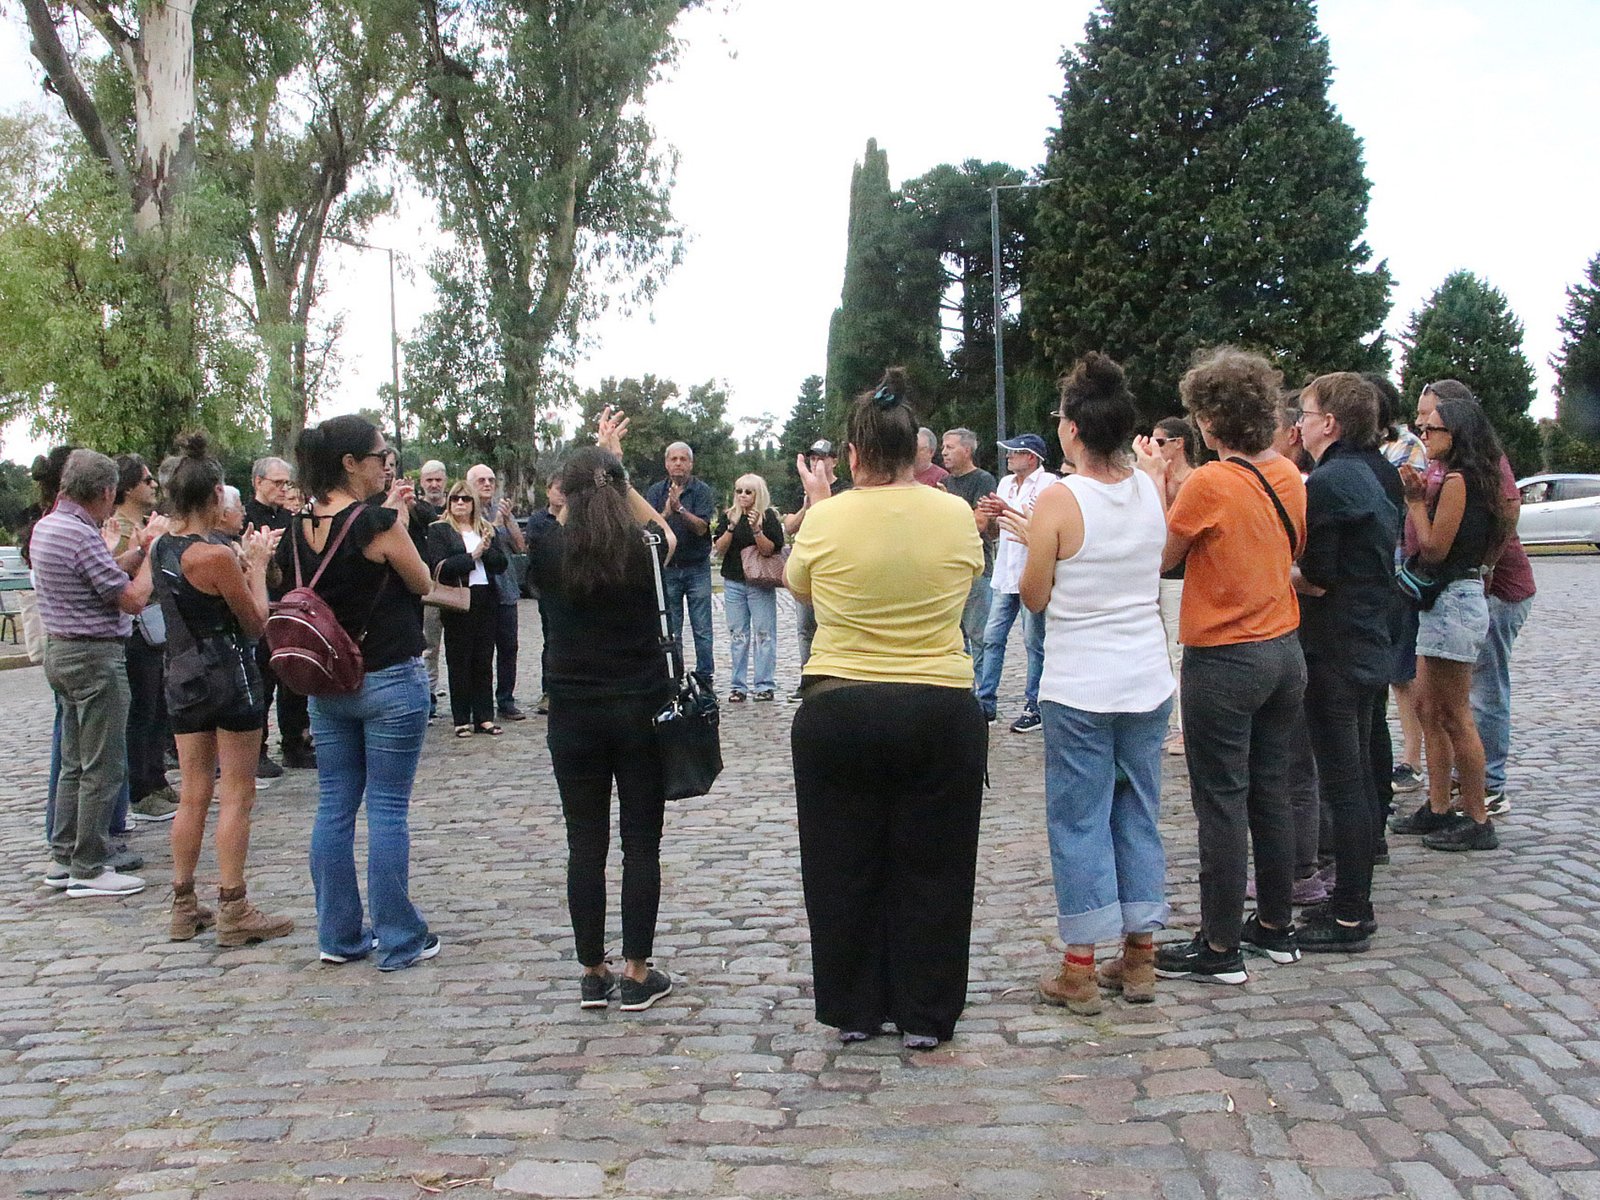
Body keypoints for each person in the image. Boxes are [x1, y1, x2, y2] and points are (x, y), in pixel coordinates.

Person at [787, 367, 986, 1048]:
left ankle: (856, 1007)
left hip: (840, 702)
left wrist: (819, 504)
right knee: (936, 864)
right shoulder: (956, 512)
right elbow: (969, 578)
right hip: (936, 702)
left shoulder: (830, 516)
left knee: (841, 863)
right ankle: (927, 1012)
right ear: (916, 453)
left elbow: (800, 586)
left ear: (852, 455)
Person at [1006, 353, 1173, 1013]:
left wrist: (1029, 546)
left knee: (1079, 820)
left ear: (1073, 429)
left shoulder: (1058, 497)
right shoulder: (1147, 489)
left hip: (1080, 684)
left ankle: (1079, 966)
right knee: (1138, 812)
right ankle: (1139, 957)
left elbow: (1036, 595)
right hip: (1146, 679)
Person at [1143, 347, 1307, 985]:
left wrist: (1158, 481)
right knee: (1270, 790)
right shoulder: (1289, 475)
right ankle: (1275, 926)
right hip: (1283, 650)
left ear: (1207, 422)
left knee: (1220, 800)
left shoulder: (1211, 483)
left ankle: (1217, 946)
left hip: (1225, 654)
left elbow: (1161, 556)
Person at [527, 412, 679, 1011]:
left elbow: (560, 515)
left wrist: (594, 468)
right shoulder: (639, 552)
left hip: (573, 714)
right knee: (641, 843)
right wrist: (614, 472)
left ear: (563, 495)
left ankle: (593, 969)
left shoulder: (547, 550)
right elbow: (665, 534)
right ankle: (638, 971)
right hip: (638, 709)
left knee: (583, 843)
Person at [279, 415, 438, 970]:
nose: (386, 463)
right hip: (388, 674)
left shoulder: (297, 527)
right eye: (379, 455)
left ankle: (339, 934)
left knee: (335, 807)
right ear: (350, 463)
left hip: (327, 682)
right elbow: (422, 582)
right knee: (388, 808)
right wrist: (400, 521)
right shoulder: (375, 523)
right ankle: (398, 936)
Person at [153, 433, 293, 943]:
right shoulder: (212, 556)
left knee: (193, 793)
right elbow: (255, 622)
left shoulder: (161, 547)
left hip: (183, 675)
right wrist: (255, 564)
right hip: (228, 676)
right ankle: (233, 904)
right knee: (236, 791)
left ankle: (183, 902)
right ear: (215, 494)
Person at [1290, 374, 1402, 952]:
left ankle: (1352, 913)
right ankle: (1353, 903)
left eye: (1306, 414)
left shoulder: (1331, 481)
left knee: (1345, 783)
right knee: (1354, 777)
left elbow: (1319, 576)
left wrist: (1275, 573)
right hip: (1366, 640)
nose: (1300, 424)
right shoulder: (1372, 472)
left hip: (1335, 646)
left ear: (1329, 423)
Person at [33, 450, 160, 897]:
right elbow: (131, 599)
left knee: (72, 761)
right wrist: (152, 555)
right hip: (94, 657)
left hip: (62, 651)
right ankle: (89, 864)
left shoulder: (49, 527)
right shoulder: (81, 534)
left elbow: (101, 575)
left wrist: (135, 549)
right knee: (103, 763)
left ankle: (64, 855)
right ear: (107, 492)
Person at [1390, 391, 1509, 852]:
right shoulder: (1469, 477)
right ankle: (1438, 806)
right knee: (1427, 708)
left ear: (1455, 432)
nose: (1424, 434)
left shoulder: (1460, 480)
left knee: (1456, 715)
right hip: (1447, 603)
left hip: (1454, 602)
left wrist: (1416, 502)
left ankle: (1477, 817)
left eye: (1432, 428)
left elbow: (1435, 548)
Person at [111, 453, 179, 823]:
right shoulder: (118, 527)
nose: (154, 485)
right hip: (135, 627)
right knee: (141, 710)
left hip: (156, 622)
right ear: (128, 487)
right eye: (147, 480)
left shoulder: (146, 522)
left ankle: (156, 776)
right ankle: (140, 787)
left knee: (157, 708)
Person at [975, 434, 1059, 732]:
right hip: (1006, 573)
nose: (1008, 457)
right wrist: (995, 514)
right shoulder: (1005, 484)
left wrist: (1004, 510)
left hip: (1031, 571)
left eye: (1014, 453)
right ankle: (985, 702)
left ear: (1031, 458)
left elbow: (1037, 523)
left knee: (1033, 642)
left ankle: (1034, 705)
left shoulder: (1048, 484)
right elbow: (1000, 528)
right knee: (991, 637)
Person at [1373, 376, 1430, 796]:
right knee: (1391, 672)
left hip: (1397, 571)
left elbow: (1388, 497)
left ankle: (1412, 758)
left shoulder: (1406, 446)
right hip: (1377, 572)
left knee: (1404, 671)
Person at [244, 455, 311, 776]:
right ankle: (256, 749)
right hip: (261, 605)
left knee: (293, 678)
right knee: (261, 680)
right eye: (278, 483)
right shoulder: (247, 516)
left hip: (290, 605)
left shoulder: (291, 517)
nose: (284, 489)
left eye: (288, 483)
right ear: (258, 482)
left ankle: (294, 742)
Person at [427, 482, 509, 738]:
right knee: (459, 659)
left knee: (483, 659)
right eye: (455, 499)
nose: (460, 503)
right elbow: (441, 566)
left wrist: (485, 551)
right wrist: (472, 555)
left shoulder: (484, 528)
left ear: (473, 503)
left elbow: (501, 563)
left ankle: (484, 716)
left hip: (485, 597)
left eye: (465, 499)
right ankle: (461, 718)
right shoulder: (440, 530)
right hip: (458, 599)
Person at [644, 442, 716, 687]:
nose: (678, 463)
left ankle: (705, 677)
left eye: (683, 459)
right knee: (671, 629)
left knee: (702, 627)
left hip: (696, 567)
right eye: (673, 459)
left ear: (691, 464)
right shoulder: (655, 492)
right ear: (666, 463)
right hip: (667, 568)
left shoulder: (702, 491)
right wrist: (665, 512)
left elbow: (702, 528)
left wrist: (680, 509)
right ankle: (675, 676)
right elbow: (647, 528)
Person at [782, 439, 849, 696]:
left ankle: (834, 676)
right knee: (805, 628)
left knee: (832, 624)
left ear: (834, 460)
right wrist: (807, 504)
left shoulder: (845, 489)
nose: (816, 462)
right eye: (812, 458)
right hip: (808, 562)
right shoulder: (803, 488)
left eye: (822, 458)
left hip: (834, 566)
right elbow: (789, 525)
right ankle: (807, 679)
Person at [712, 473, 785, 702]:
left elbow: (768, 550)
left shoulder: (768, 516)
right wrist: (731, 527)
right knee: (738, 635)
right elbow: (720, 549)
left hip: (759, 582)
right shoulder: (729, 516)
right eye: (739, 491)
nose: (742, 495)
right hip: (734, 580)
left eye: (748, 491)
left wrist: (756, 529)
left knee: (764, 634)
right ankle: (738, 686)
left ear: (758, 494)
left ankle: (764, 684)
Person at [466, 463, 529, 721]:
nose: (488, 484)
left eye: (491, 480)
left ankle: (506, 699)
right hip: (479, 590)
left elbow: (520, 545)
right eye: (481, 480)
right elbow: (479, 539)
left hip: (505, 589)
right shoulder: (464, 510)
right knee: (480, 650)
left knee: (508, 647)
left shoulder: (501, 510)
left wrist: (509, 519)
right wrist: (495, 522)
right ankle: (478, 703)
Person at [1150, 417, 1196, 756]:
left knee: (1179, 653)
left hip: (1181, 575)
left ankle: (1186, 728)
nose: (1156, 448)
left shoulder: (1191, 480)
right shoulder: (1160, 479)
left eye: (1161, 442)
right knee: (1163, 652)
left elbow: (1167, 526)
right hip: (1158, 576)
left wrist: (1157, 484)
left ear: (1180, 444)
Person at [939, 429, 997, 686]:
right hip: (949, 570)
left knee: (979, 636)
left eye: (950, 447)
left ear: (967, 450)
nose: (943, 452)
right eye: (943, 446)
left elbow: (980, 522)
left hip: (976, 568)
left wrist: (947, 504)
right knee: (954, 637)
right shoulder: (947, 483)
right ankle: (963, 689)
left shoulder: (983, 480)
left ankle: (984, 697)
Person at [524, 477, 565, 716]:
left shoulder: (577, 518)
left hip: (571, 585)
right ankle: (548, 691)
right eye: (559, 490)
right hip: (548, 587)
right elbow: (543, 547)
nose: (562, 495)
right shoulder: (538, 520)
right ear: (548, 491)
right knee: (550, 639)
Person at [416, 461, 450, 712]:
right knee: (429, 644)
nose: (434, 484)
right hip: (429, 585)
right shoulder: (415, 510)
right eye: (429, 480)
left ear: (445, 481)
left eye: (438, 479)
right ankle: (428, 698)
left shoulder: (459, 505)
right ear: (422, 483)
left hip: (457, 584)